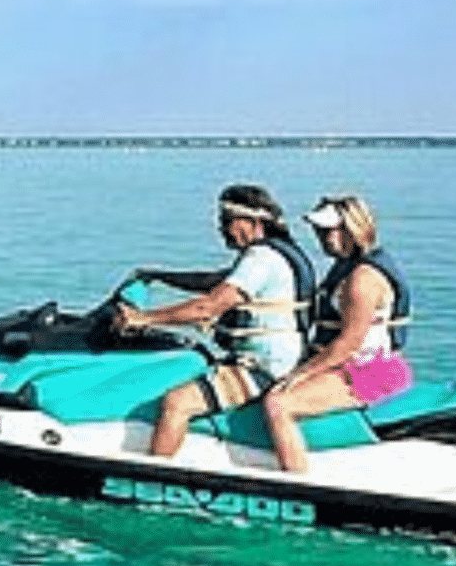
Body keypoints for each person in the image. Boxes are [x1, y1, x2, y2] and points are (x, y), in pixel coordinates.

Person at [105, 183, 316, 457]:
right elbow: (212, 282)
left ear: (252, 222)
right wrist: (159, 276)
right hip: (278, 360)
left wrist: (144, 319)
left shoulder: (261, 258)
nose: (221, 228)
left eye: (227, 221)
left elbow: (208, 307)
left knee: (176, 403)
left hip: (263, 367)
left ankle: (155, 476)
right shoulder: (281, 253)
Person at [263, 194, 414, 475]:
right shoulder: (349, 266)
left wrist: (300, 375)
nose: (321, 237)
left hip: (368, 372)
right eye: (318, 230)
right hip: (355, 365)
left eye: (328, 231)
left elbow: (348, 344)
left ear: (352, 228)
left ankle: (297, 483)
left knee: (278, 404)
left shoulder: (363, 278)